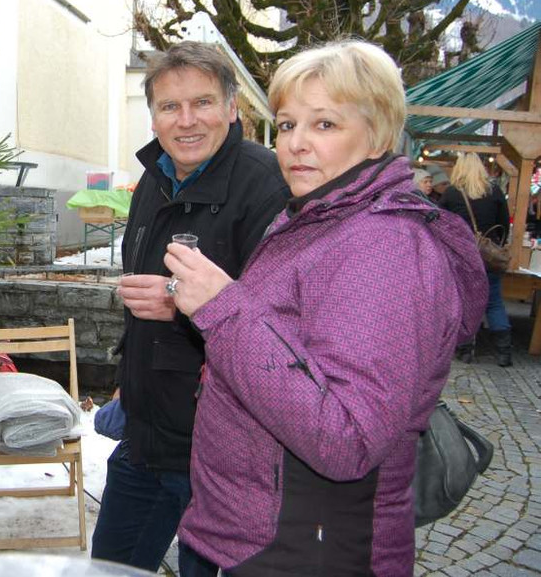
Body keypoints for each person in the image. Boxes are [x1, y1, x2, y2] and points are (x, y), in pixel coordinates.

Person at [164, 40, 487, 576]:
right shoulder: (319, 220)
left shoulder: (382, 245)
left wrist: (223, 309)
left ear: (377, 133)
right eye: (287, 125)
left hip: (313, 548)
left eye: (325, 124)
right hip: (272, 537)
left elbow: (346, 437)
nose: (296, 144)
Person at [90, 42, 289, 572]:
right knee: (110, 567)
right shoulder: (154, 179)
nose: (186, 121)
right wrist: (126, 381)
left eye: (202, 103)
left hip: (220, 449)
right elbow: (140, 305)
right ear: (153, 117)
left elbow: (285, 324)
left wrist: (182, 305)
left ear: (232, 107)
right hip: (145, 435)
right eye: (169, 107)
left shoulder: (268, 186)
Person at [439, 153, 514, 366]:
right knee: (494, 302)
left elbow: (440, 223)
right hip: (488, 256)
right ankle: (504, 352)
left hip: (461, 255)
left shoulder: (452, 193)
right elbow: (503, 224)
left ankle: (465, 349)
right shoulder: (494, 191)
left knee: (463, 302)